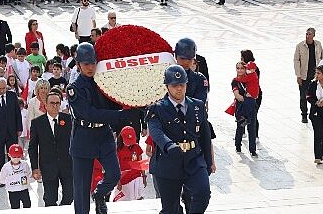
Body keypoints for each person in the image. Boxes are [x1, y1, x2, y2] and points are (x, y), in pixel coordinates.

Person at [67, 43, 135, 214]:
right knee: (81, 189)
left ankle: (99, 194)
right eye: (86, 64)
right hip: (83, 137)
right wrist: (119, 115)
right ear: (78, 65)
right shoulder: (74, 88)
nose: (90, 68)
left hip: (103, 135)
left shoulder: (104, 83)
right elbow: (88, 114)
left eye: (93, 63)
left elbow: (115, 102)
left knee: (114, 174)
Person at [146, 65, 213, 214]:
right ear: (167, 86)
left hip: (193, 159)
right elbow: (156, 132)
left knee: (203, 194)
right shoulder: (157, 108)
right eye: (174, 85)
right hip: (168, 162)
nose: (179, 89)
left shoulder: (197, 106)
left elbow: (205, 136)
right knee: (171, 209)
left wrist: (208, 163)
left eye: (182, 85)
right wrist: (168, 145)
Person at [28, 88, 73, 207]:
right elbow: (32, 147)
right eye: (52, 103)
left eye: (57, 103)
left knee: (69, 195)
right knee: (50, 199)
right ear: (46, 105)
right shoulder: (37, 123)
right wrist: (35, 168)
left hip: (67, 165)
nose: (55, 106)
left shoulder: (68, 120)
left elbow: (75, 142)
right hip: (48, 166)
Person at [0, 77, 23, 165]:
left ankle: (13, 173)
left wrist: (19, 128)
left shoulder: (12, 96)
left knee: (13, 155)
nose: (2, 91)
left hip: (11, 131)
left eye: (4, 88)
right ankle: (1, 174)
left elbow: (17, 113)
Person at [294, 28, 323, 123]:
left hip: (316, 76)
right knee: (303, 96)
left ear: (314, 35)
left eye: (310, 34)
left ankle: (314, 112)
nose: (308, 36)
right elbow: (296, 61)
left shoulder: (318, 44)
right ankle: (304, 115)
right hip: (304, 75)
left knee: (316, 95)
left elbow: (321, 57)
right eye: (307, 34)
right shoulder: (300, 46)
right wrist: (298, 75)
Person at [232, 62, 258, 156]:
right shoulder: (235, 81)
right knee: (240, 127)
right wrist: (248, 98)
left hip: (251, 108)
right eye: (238, 68)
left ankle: (252, 150)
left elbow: (256, 92)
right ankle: (237, 146)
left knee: (252, 129)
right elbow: (237, 96)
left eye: (242, 68)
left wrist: (252, 97)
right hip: (241, 108)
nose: (240, 70)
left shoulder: (250, 78)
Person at [0, 144, 32, 209]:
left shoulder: (25, 164)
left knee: (27, 205)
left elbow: (29, 174)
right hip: (12, 191)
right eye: (14, 157)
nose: (16, 159)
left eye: (18, 156)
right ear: (9, 155)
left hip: (24, 189)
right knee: (15, 208)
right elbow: (1, 179)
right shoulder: (6, 167)